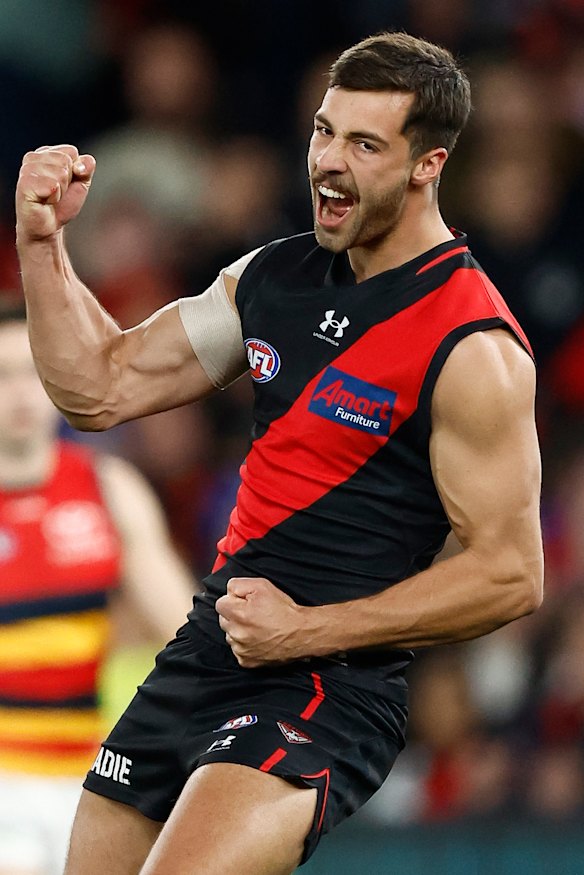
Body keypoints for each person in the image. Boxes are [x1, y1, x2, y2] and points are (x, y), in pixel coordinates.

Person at [14, 31, 544, 875]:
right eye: (323, 132)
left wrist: (307, 629)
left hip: (326, 686)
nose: (328, 162)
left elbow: (512, 572)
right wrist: (41, 246)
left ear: (427, 164)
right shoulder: (273, 275)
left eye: (364, 144)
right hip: (204, 653)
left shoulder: (472, 343)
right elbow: (100, 387)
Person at [0, 297, 196, 875]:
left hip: (88, 782)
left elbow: (184, 632)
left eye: (30, 373)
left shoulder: (107, 488)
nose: (19, 395)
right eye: (2, 376)